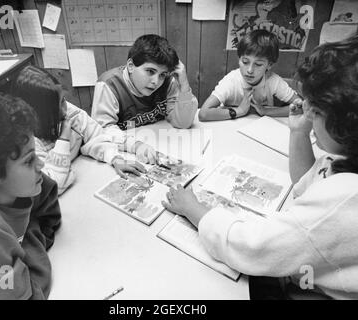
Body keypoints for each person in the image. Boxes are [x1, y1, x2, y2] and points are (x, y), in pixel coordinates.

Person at [163, 34, 358, 299]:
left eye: (318, 110)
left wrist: (193, 208)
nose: (309, 112)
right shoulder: (344, 158)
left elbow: (252, 248)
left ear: (345, 123)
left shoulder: (345, 197)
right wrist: (299, 132)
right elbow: (306, 183)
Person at [0, 90, 62, 299]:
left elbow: (47, 206)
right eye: (29, 160)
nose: (41, 165)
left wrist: (26, 243)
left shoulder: (23, 187)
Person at [12, 65, 156, 195]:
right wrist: (63, 138)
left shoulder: (68, 111)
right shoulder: (25, 141)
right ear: (36, 113)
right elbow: (54, 185)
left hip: (83, 182)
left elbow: (96, 135)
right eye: (56, 106)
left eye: (63, 100)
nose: (64, 109)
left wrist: (115, 158)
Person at [91, 34, 198, 132]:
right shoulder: (109, 85)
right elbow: (103, 131)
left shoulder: (168, 80)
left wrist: (184, 84)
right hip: (126, 147)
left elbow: (183, 123)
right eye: (150, 71)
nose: (156, 82)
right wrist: (136, 146)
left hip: (156, 142)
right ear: (131, 66)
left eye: (162, 74)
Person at [199, 29, 299, 121]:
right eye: (245, 62)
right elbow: (203, 113)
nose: (250, 70)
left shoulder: (273, 81)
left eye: (258, 64)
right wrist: (239, 111)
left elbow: (301, 107)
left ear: (269, 65)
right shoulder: (231, 80)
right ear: (239, 60)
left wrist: (266, 111)